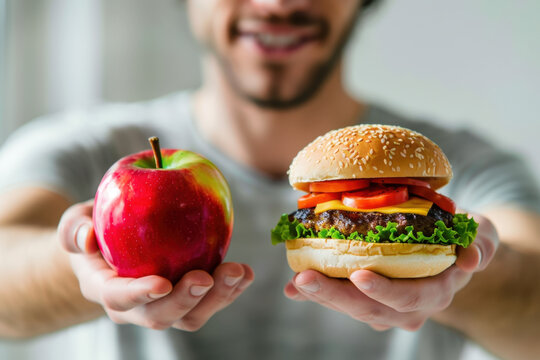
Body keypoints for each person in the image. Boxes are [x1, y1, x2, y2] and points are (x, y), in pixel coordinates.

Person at [0, 0, 539, 359]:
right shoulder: (85, 149)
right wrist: (88, 263)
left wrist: (469, 268)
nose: (279, 3)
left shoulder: (465, 162)